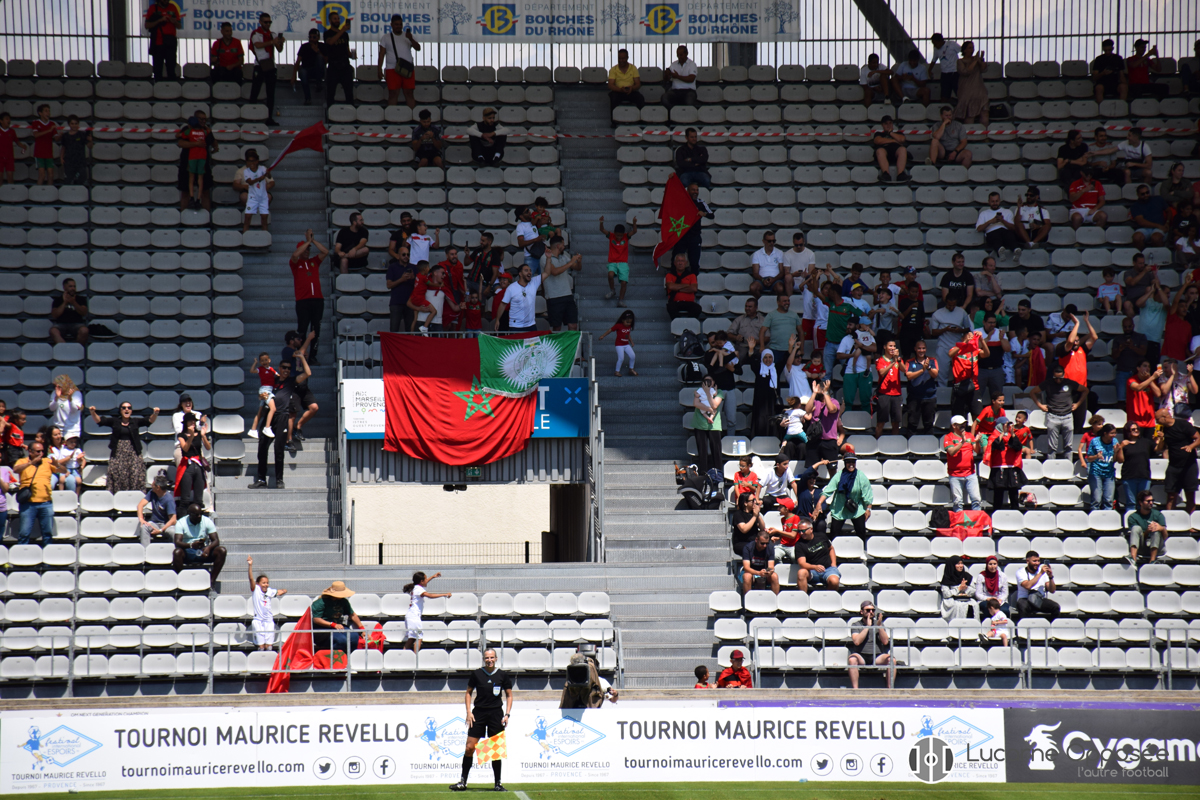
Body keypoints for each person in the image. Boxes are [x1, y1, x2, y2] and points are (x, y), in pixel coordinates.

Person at [450, 648, 513, 791]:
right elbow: (468, 693)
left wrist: (507, 714)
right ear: (484, 659)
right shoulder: (477, 674)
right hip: (478, 713)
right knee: (469, 747)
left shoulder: (502, 675)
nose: (489, 660)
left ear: (496, 658)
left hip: (496, 714)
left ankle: (497, 784)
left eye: (492, 657)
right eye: (487, 658)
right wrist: (468, 712)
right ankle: (463, 782)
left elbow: (509, 695)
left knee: (494, 750)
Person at [88, 402, 158, 492]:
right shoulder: (115, 421)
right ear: (120, 410)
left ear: (131, 411)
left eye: (129, 408)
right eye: (124, 408)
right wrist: (93, 412)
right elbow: (100, 421)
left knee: (135, 474)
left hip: (133, 452)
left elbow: (149, 420)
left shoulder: (135, 421)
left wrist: (155, 413)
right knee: (118, 475)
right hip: (118, 452)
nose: (126, 409)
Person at [289, 230, 328, 364]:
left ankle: (312, 356)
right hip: (303, 301)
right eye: (305, 249)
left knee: (316, 329)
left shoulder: (314, 262)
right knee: (302, 329)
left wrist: (312, 240)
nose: (307, 251)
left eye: (309, 249)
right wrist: (307, 242)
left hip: (317, 300)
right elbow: (295, 255)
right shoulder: (295, 263)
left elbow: (325, 252)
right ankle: (301, 355)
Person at [14, 441, 64, 546]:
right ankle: (22, 554)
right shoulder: (22, 461)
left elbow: (64, 471)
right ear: (30, 452)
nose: (41, 453)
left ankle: (47, 555)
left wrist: (57, 465)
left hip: (46, 502)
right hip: (28, 503)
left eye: (42, 451)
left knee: (47, 533)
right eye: (38, 451)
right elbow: (16, 469)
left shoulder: (47, 461)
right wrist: (30, 463)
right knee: (24, 533)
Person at [1031, 361, 1083, 459]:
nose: (1058, 380)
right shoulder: (1048, 383)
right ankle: (1051, 465)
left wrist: (1077, 404)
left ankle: (1068, 465)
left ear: (1064, 375)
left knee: (1068, 446)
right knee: (1052, 447)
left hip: (1067, 416)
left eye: (1060, 378)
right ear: (1053, 375)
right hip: (1053, 416)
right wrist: (1040, 405)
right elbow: (1032, 392)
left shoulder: (1069, 383)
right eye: (1056, 378)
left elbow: (1085, 390)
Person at [821, 445, 872, 539]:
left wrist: (868, 509)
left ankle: (862, 547)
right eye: (848, 461)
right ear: (845, 463)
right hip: (840, 507)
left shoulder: (861, 476)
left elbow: (867, 493)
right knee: (834, 534)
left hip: (857, 508)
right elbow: (828, 491)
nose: (851, 464)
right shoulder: (838, 475)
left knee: (861, 532)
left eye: (853, 461)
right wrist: (819, 503)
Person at [1156, 406, 1199, 513]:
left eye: (1157, 419)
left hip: (1189, 465)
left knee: (1190, 495)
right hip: (1174, 466)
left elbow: (1198, 438)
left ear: (1164, 417)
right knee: (1171, 495)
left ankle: (1189, 519)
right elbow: (1159, 449)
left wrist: (1191, 446)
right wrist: (1161, 439)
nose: (1156, 422)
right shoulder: (1162, 429)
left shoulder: (1182, 424)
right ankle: (1170, 518)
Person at [172, 503, 227, 583]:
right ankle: (183, 581)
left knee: (221, 550)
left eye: (201, 513)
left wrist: (208, 548)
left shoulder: (206, 521)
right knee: (177, 552)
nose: (199, 516)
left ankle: (211, 581)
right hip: (188, 551)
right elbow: (177, 542)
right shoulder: (181, 522)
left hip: (204, 550)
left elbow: (216, 540)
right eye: (196, 514)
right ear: (190, 514)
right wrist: (191, 545)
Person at [248, 12, 283, 127]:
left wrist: (280, 42)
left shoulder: (272, 34)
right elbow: (257, 45)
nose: (268, 24)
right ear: (260, 22)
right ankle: (251, 115)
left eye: (269, 22)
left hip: (270, 65)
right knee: (255, 91)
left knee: (270, 93)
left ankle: (269, 118)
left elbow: (279, 49)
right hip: (259, 65)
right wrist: (272, 42)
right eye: (265, 22)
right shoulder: (256, 33)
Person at [849, 600, 894, 689]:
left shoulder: (879, 624)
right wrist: (867, 627)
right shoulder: (856, 624)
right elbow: (857, 641)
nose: (871, 612)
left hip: (877, 656)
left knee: (891, 660)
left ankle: (890, 689)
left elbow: (885, 641)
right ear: (861, 612)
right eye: (868, 610)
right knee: (852, 660)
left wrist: (879, 626)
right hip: (861, 656)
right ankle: (855, 690)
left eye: (873, 610)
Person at [175, 110, 215, 212]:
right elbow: (180, 143)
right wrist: (196, 144)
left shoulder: (206, 130)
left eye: (205, 119)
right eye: (201, 119)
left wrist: (215, 147)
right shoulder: (187, 128)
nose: (204, 121)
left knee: (205, 192)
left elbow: (213, 142)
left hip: (203, 164)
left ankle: (206, 218)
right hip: (187, 164)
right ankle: (183, 217)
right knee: (185, 192)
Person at [402, 571, 451, 654]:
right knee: (419, 637)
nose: (426, 580)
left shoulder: (416, 587)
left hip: (410, 615)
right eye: (425, 578)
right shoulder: (419, 589)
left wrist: (433, 577)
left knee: (412, 638)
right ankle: (415, 658)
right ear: (421, 581)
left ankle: (404, 656)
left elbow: (425, 582)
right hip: (414, 616)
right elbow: (430, 595)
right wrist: (445, 594)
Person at [541, 236, 582, 332]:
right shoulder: (545, 257)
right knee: (557, 327)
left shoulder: (564, 256)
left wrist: (579, 262)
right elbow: (554, 272)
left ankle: (571, 342)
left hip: (567, 294)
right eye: (563, 245)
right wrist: (571, 262)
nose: (564, 246)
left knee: (573, 325)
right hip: (554, 296)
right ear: (558, 246)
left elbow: (577, 268)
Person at [378, 14, 419, 108]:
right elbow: (381, 54)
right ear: (391, 25)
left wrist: (411, 39)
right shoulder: (385, 37)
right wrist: (379, 69)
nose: (399, 26)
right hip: (392, 69)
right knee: (393, 93)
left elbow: (418, 48)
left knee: (409, 93)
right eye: (396, 24)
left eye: (400, 24)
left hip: (407, 68)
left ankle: (412, 115)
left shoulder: (408, 36)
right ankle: (392, 115)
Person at [791, 515, 842, 592]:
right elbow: (802, 563)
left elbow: (831, 548)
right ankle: (803, 597)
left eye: (803, 531)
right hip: (812, 571)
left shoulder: (821, 536)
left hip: (828, 569)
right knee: (801, 573)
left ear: (811, 529)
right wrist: (814, 567)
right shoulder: (799, 544)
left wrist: (834, 564)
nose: (801, 533)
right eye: (799, 531)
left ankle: (826, 597)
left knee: (834, 581)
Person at [672, 182, 714, 274]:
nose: (696, 192)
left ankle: (693, 281)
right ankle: (675, 281)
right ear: (687, 191)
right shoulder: (680, 202)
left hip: (694, 237)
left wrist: (704, 214)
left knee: (694, 263)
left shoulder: (701, 203)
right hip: (681, 236)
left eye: (697, 190)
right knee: (676, 262)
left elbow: (712, 215)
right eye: (693, 190)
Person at [942, 415, 981, 511]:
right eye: (960, 424)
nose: (963, 425)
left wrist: (977, 441)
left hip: (970, 473)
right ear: (954, 425)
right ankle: (959, 518)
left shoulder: (970, 435)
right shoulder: (948, 437)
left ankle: (977, 518)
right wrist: (962, 442)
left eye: (964, 423)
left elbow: (977, 450)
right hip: (955, 474)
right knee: (957, 501)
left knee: (976, 499)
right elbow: (951, 452)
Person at [311, 579, 362, 652]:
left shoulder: (344, 601)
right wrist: (333, 624)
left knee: (354, 637)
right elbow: (316, 619)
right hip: (322, 629)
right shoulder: (320, 603)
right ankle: (335, 657)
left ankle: (348, 656)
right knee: (341, 640)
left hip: (337, 627)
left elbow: (352, 614)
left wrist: (362, 628)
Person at [247, 556, 286, 650]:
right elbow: (251, 579)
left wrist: (284, 591)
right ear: (258, 583)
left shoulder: (270, 591)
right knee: (261, 646)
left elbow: (278, 592)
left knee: (269, 646)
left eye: (267, 583)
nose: (266, 585)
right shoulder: (255, 590)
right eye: (263, 583)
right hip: (258, 621)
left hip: (268, 620)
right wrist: (250, 566)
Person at [597, 216, 635, 307]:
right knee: (610, 274)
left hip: (623, 263)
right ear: (614, 233)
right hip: (613, 262)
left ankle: (621, 300)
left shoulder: (626, 237)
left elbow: (634, 231)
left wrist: (634, 222)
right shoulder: (611, 236)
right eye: (617, 235)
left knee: (623, 282)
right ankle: (612, 290)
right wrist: (601, 222)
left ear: (623, 234)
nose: (619, 237)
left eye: (620, 235)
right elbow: (602, 229)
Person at [233, 149, 273, 233]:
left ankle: (264, 236)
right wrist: (258, 179)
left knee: (264, 218)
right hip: (250, 195)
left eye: (254, 161)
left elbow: (271, 181)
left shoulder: (263, 169)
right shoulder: (244, 171)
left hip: (262, 195)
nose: (252, 163)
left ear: (257, 160)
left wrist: (268, 175)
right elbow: (249, 182)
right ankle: (245, 235)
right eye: (249, 161)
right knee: (247, 217)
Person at [322, 10, 355, 111]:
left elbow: (347, 50)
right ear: (330, 21)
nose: (337, 20)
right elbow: (330, 42)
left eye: (338, 19)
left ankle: (350, 113)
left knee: (349, 93)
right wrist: (342, 30)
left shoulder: (345, 35)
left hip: (345, 65)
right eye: (335, 19)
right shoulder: (327, 33)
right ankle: (330, 114)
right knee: (331, 93)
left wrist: (352, 55)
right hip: (333, 66)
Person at [1117, 421, 1153, 512]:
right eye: (1133, 429)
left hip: (1144, 475)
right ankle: (1131, 520)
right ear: (1128, 431)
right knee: (1131, 503)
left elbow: (1158, 449)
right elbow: (1120, 460)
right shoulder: (1124, 444)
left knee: (1144, 503)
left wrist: (1160, 439)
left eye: (1137, 429)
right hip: (1129, 476)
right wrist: (1121, 447)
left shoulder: (1145, 442)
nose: (1136, 430)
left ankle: (1143, 520)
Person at [904, 340, 939, 434]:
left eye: (923, 348)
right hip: (914, 398)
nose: (921, 350)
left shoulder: (932, 360)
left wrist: (928, 368)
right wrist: (922, 370)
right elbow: (909, 376)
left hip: (929, 398)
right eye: (919, 348)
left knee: (929, 424)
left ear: (926, 349)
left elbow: (935, 374)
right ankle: (910, 442)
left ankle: (929, 443)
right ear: (915, 349)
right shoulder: (910, 361)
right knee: (912, 424)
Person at [805, 380, 842, 467]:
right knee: (811, 468)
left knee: (832, 468)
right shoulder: (815, 402)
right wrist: (814, 393)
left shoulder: (834, 402)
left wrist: (825, 392)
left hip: (829, 440)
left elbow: (831, 409)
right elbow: (807, 410)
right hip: (814, 440)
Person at [1014, 551, 1060, 620]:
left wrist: (1050, 577)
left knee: (1055, 607)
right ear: (1027, 561)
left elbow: (1052, 590)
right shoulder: (1021, 572)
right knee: (1022, 605)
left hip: (1039, 599)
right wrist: (1040, 573)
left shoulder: (1043, 572)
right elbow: (1027, 586)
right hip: (1025, 599)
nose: (1037, 563)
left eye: (1038, 561)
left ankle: (1051, 625)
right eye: (1034, 561)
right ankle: (1024, 626)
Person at [499, 261, 542, 334]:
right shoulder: (511, 288)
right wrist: (497, 320)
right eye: (526, 270)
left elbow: (547, 273)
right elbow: (503, 304)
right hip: (516, 326)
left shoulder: (534, 282)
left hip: (531, 325)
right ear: (520, 274)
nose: (529, 272)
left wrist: (548, 258)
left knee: (533, 342)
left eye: (530, 270)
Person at [1126, 490, 1168, 565]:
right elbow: (1136, 536)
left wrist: (1161, 528)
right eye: (1148, 501)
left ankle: (1152, 561)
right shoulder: (1133, 517)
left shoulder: (1158, 515)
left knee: (1156, 530)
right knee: (1135, 528)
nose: (1151, 503)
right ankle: (1133, 559)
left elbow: (1165, 537)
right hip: (1142, 547)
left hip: (1158, 548)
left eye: (1152, 500)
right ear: (1140, 502)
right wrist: (1147, 531)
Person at [136, 471, 177, 545]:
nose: (151, 485)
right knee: (144, 527)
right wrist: (141, 519)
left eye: (153, 484)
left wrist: (161, 530)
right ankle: (145, 550)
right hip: (154, 523)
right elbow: (140, 505)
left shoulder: (169, 499)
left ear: (158, 487)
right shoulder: (152, 492)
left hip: (166, 524)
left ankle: (176, 550)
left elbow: (173, 520)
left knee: (173, 532)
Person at [144, 0, 181, 81]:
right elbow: (147, 25)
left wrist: (174, 21)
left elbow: (179, 26)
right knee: (157, 69)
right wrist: (159, 20)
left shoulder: (173, 7)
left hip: (170, 42)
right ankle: (158, 86)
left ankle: (172, 86)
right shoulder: (153, 8)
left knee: (171, 68)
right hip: (157, 42)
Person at [953, 41, 989, 124]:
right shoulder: (960, 61)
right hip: (967, 90)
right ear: (964, 50)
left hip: (979, 90)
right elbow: (965, 71)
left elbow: (983, 69)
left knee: (985, 112)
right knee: (970, 114)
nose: (972, 50)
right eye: (970, 48)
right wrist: (974, 61)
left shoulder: (977, 60)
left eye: (973, 47)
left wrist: (980, 60)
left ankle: (985, 131)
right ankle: (970, 131)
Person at [1085, 423, 1118, 511]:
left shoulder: (1115, 441)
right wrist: (1096, 456)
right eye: (1112, 433)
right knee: (1096, 499)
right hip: (1096, 472)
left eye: (1115, 433)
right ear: (1105, 433)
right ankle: (1094, 517)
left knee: (1109, 500)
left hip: (1109, 473)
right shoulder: (1095, 441)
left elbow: (1115, 460)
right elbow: (1089, 458)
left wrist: (1116, 452)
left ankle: (1107, 517)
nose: (1114, 435)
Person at [977, 191, 1019, 258]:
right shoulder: (984, 213)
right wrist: (990, 222)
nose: (995, 203)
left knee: (1009, 234)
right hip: (992, 233)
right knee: (995, 236)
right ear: (989, 202)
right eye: (992, 201)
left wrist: (1003, 221)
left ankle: (1016, 250)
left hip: (1005, 233)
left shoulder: (1007, 212)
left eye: (996, 201)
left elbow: (1013, 228)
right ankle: (1000, 251)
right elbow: (979, 229)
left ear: (1000, 201)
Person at [49, 277, 89, 345]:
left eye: (74, 286)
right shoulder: (58, 300)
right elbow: (55, 315)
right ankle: (65, 348)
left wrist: (73, 302)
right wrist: (65, 302)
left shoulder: (81, 299)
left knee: (84, 330)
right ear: (64, 287)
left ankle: (77, 349)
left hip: (77, 324)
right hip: (61, 324)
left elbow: (84, 313)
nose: (73, 288)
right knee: (53, 331)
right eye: (70, 286)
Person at [749, 349, 780, 436]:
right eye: (765, 357)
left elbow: (786, 360)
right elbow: (752, 363)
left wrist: (791, 347)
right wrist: (751, 349)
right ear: (762, 359)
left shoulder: (776, 368)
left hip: (772, 402)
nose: (768, 359)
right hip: (760, 402)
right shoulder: (759, 368)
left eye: (770, 357)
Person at [1131, 183, 1170, 250]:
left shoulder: (1158, 199)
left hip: (1159, 228)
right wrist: (1158, 226)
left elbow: (1168, 211)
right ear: (1138, 195)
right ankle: (1141, 255)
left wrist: (1167, 222)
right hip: (1145, 228)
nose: (1146, 195)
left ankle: (1160, 255)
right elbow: (1141, 222)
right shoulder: (1135, 206)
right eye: (1143, 194)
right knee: (1136, 237)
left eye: (1147, 192)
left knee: (1156, 238)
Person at [292, 28, 326, 105]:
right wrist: (294, 76)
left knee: (319, 57)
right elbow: (298, 62)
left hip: (319, 72)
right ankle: (308, 98)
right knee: (302, 71)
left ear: (318, 38)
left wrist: (317, 51)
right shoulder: (304, 46)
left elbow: (326, 60)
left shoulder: (322, 46)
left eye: (314, 37)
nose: (311, 39)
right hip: (307, 70)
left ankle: (318, 83)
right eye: (310, 37)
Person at [741, 531, 780, 595]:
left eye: (767, 543)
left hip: (765, 573)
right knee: (747, 576)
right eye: (762, 543)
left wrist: (769, 571)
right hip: (752, 572)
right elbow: (746, 568)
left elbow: (771, 566)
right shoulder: (748, 548)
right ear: (756, 540)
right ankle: (747, 599)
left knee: (774, 576)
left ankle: (775, 598)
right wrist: (758, 573)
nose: (765, 546)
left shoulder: (770, 548)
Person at [872, 116, 909, 182]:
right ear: (882, 125)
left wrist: (890, 133)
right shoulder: (879, 133)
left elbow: (902, 139)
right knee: (880, 151)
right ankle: (886, 174)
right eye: (886, 123)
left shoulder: (898, 133)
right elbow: (877, 141)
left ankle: (901, 174)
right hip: (884, 151)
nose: (888, 125)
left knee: (903, 149)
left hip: (896, 152)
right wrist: (894, 140)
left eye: (890, 123)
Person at [607, 48, 644, 114]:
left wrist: (632, 88)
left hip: (631, 91)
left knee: (640, 98)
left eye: (623, 58)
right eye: (619, 58)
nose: (621, 60)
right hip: (618, 92)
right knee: (613, 98)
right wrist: (620, 90)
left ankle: (640, 117)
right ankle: (614, 118)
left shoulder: (633, 68)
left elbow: (638, 84)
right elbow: (610, 85)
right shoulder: (613, 69)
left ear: (627, 58)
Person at [58, 114, 92, 186]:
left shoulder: (82, 134)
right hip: (69, 162)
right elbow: (63, 147)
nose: (74, 125)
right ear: (69, 124)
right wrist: (61, 158)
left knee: (82, 183)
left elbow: (90, 146)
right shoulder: (65, 136)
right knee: (68, 182)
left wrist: (90, 141)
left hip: (80, 162)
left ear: (78, 124)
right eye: (72, 124)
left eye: (76, 124)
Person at [665, 254, 701, 319]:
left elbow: (694, 288)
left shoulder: (692, 275)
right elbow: (670, 286)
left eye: (682, 261)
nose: (680, 263)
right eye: (678, 261)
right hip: (675, 302)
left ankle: (689, 322)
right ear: (675, 263)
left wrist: (677, 288)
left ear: (686, 263)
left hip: (689, 302)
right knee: (670, 307)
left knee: (697, 309)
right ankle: (677, 322)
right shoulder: (669, 275)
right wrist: (686, 285)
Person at [940, 557, 976, 621]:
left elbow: (974, 591)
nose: (961, 566)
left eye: (961, 563)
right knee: (958, 606)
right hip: (952, 599)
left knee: (974, 605)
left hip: (966, 599)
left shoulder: (967, 576)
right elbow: (946, 594)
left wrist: (966, 588)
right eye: (958, 564)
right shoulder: (947, 578)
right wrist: (959, 588)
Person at [930, 33, 961, 101]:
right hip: (944, 74)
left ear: (941, 41)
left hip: (955, 72)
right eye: (933, 44)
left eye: (935, 44)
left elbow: (962, 51)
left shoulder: (952, 44)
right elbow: (934, 60)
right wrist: (929, 70)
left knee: (959, 93)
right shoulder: (936, 49)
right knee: (944, 96)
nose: (935, 46)